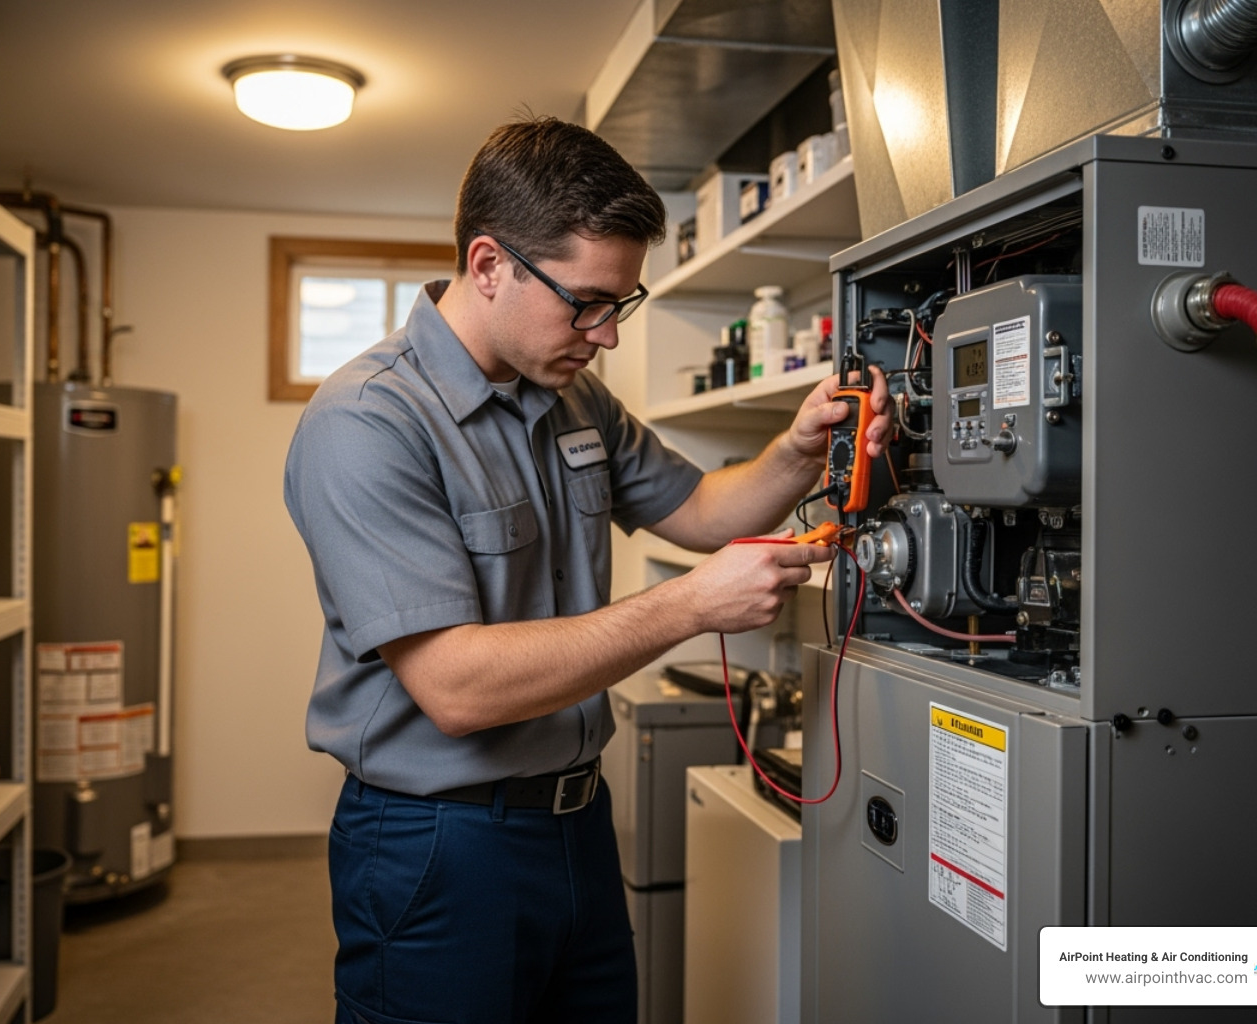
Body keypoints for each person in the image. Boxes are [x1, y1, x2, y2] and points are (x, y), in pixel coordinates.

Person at [283, 114, 889, 1024]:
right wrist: (688, 608)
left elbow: (700, 512)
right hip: (437, 843)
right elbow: (456, 689)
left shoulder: (571, 395)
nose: (606, 334)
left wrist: (800, 452)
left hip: (576, 824)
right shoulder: (368, 422)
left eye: (622, 305)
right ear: (489, 265)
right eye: (589, 302)